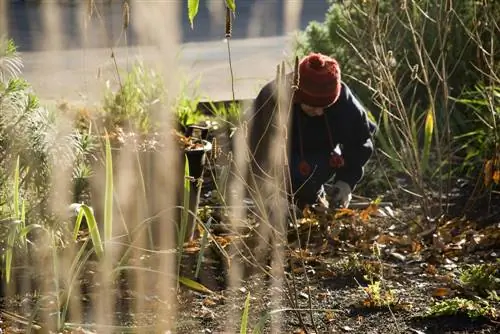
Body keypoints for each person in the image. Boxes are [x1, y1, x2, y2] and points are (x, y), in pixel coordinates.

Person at [246, 52, 377, 211]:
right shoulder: (273, 99)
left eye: (326, 106)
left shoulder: (345, 103)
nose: (320, 112)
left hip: (320, 162)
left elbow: (360, 141)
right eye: (313, 106)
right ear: (298, 97)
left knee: (311, 195)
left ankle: (313, 196)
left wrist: (346, 181)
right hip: (280, 166)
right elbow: (254, 148)